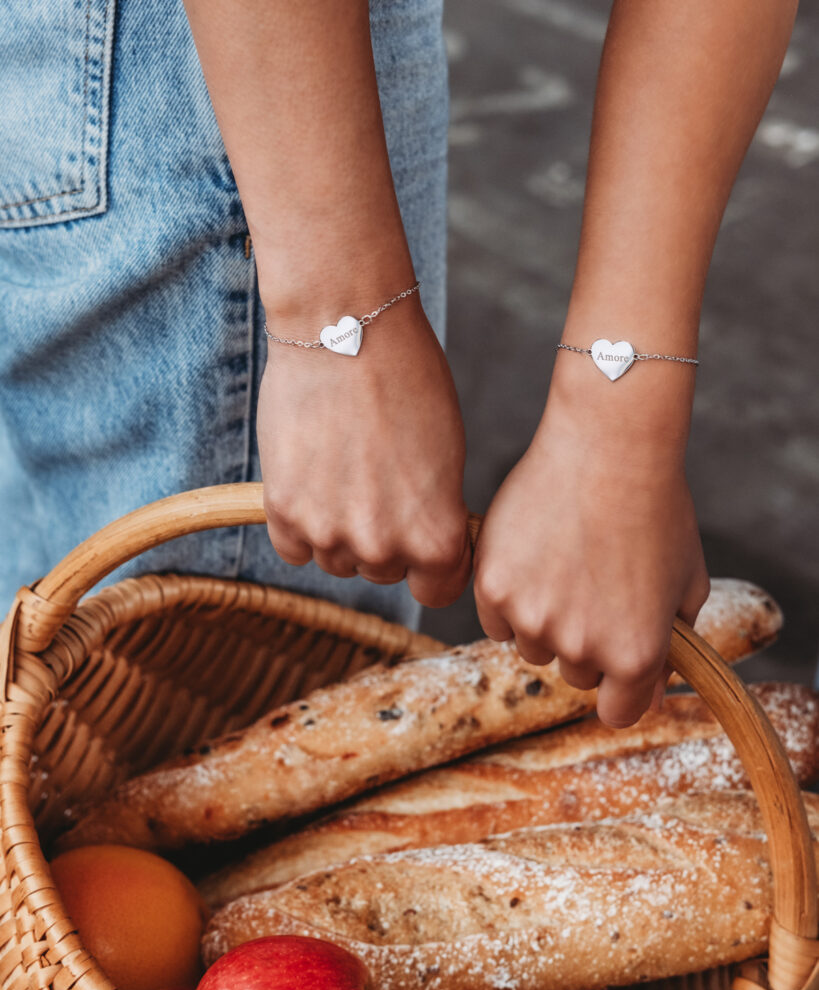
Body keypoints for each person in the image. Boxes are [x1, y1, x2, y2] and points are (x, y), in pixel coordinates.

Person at [0, 0, 798, 728]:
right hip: (229, 57)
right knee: (192, 744)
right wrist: (339, 327)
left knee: (55, 672)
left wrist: (616, 432)